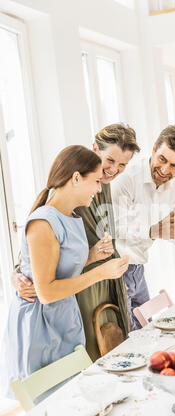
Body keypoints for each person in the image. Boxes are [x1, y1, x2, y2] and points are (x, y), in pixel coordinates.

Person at [0, 145, 129, 398]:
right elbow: (46, 292)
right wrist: (101, 272)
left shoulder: (71, 216)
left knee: (73, 396)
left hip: (64, 317)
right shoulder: (43, 222)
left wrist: (93, 256)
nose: (99, 189)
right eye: (95, 180)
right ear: (76, 177)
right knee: (51, 401)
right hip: (41, 324)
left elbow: (62, 267)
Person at [12, 124, 140, 362]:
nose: (113, 170)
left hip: (100, 285)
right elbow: (35, 254)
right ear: (94, 150)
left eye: (123, 165)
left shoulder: (104, 187)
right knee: (87, 364)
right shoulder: (69, 196)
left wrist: (95, 255)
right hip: (76, 294)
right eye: (110, 160)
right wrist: (16, 276)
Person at [111, 124, 175, 330]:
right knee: (127, 337)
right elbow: (114, 227)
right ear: (153, 149)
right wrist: (153, 231)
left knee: (148, 333)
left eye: (174, 166)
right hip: (116, 270)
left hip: (138, 269)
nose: (165, 170)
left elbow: (171, 234)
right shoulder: (126, 179)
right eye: (162, 159)